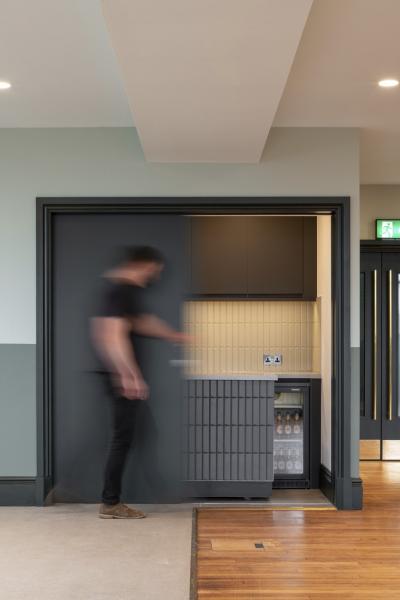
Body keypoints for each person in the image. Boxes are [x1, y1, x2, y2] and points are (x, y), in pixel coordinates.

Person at [91, 246, 188, 519]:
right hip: (120, 379)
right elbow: (111, 334)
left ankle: (113, 500)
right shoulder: (121, 290)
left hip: (118, 377)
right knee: (122, 439)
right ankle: (110, 503)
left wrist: (174, 336)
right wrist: (129, 375)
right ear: (142, 265)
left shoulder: (124, 293)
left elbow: (142, 323)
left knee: (136, 434)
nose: (153, 277)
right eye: (152, 271)